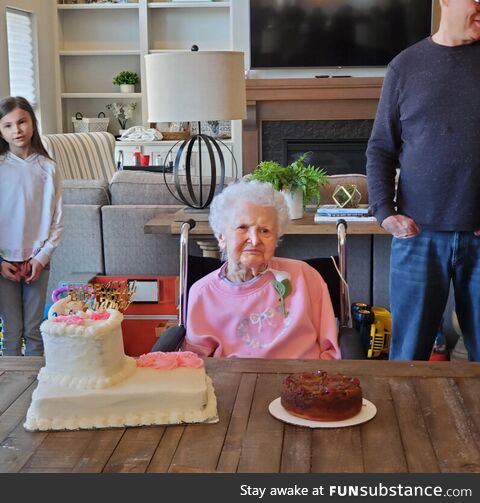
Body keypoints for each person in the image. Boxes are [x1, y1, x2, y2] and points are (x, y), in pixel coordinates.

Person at [366, 0, 480, 360]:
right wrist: (384, 211)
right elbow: (381, 148)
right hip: (418, 238)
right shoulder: (405, 67)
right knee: (407, 358)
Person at [183, 180, 340, 359]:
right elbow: (197, 364)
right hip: (236, 383)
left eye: (265, 231)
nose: (255, 240)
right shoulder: (202, 294)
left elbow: (330, 352)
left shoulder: (305, 277)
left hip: (304, 381)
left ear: (276, 238)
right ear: (221, 236)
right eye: (242, 227)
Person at [0, 96, 64, 356]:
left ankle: (35, 392)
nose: (17, 130)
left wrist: (41, 257)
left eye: (22, 122)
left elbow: (57, 220)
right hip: (4, 262)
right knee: (12, 331)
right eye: (8, 125)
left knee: (34, 330)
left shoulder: (48, 168)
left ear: (33, 123)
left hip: (38, 262)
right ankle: (10, 393)